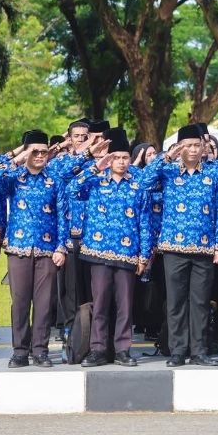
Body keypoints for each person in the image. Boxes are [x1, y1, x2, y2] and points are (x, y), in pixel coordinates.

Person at [0, 130, 91, 368]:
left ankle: (40, 350)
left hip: (47, 250)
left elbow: (64, 217)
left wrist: (61, 248)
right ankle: (20, 350)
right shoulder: (14, 178)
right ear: (27, 152)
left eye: (43, 152)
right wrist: (17, 159)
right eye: (35, 152)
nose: (40, 156)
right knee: (20, 302)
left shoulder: (54, 181)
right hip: (19, 249)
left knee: (43, 304)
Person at [139, 125, 218, 367]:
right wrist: (167, 156)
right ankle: (178, 350)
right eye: (186, 145)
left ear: (203, 147)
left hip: (204, 248)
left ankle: (199, 350)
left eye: (196, 145)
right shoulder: (167, 171)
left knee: (200, 302)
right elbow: (144, 182)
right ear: (180, 148)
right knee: (176, 301)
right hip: (173, 248)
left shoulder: (213, 174)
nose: (192, 150)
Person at [68, 129, 153, 367]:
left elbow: (144, 223)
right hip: (98, 252)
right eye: (116, 157)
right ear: (109, 158)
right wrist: (96, 167)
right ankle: (98, 349)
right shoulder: (95, 180)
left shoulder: (137, 185)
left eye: (125, 157)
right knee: (101, 302)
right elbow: (71, 190)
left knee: (125, 305)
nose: (121, 162)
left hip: (128, 254)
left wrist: (144, 256)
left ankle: (123, 349)